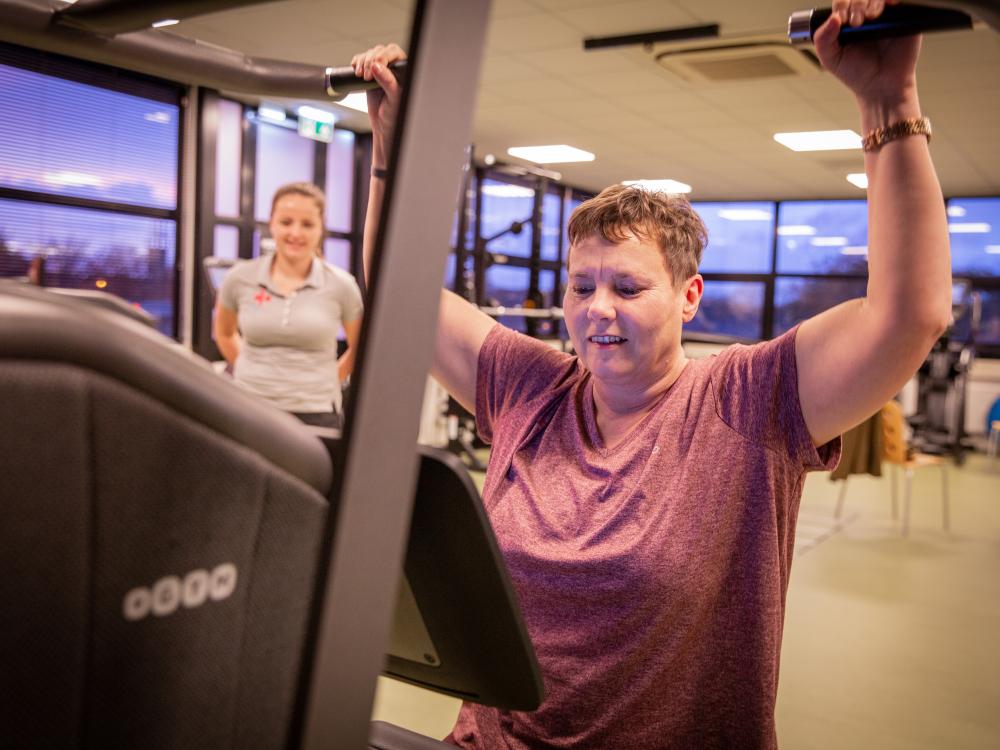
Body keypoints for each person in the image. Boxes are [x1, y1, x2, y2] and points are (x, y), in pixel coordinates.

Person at [353, 0, 951, 744]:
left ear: (688, 297)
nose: (597, 310)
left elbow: (909, 314)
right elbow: (398, 289)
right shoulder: (526, 386)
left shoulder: (746, 401)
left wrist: (888, 102)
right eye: (581, 287)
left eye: (629, 288)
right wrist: (393, 150)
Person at [214, 182, 363, 429]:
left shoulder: (342, 285)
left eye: (307, 224)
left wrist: (328, 378)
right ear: (272, 223)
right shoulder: (240, 278)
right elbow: (224, 332)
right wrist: (252, 370)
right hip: (250, 406)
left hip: (317, 410)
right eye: (286, 222)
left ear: (321, 228)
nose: (296, 233)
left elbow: (361, 348)